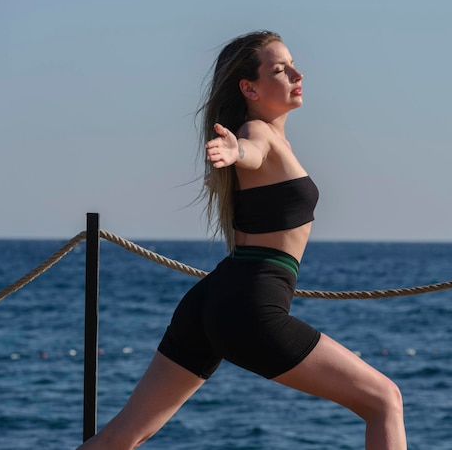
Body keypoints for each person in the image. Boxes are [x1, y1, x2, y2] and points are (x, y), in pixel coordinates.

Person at [78, 30, 406, 449]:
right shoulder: (257, 133)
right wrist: (235, 152)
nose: (297, 73)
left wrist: (238, 153)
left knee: (124, 435)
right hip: (250, 306)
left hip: (213, 299)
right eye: (280, 69)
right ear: (249, 87)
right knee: (385, 401)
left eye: (293, 65)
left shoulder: (272, 136)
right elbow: (250, 150)